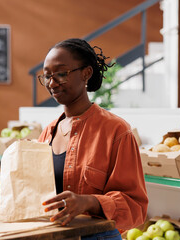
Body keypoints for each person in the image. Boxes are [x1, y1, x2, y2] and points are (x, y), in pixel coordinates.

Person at [38, 38, 148, 239]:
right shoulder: (48, 133)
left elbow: (136, 206)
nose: (52, 83)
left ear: (86, 73)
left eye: (61, 74)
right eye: (47, 76)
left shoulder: (117, 130)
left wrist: (89, 202)